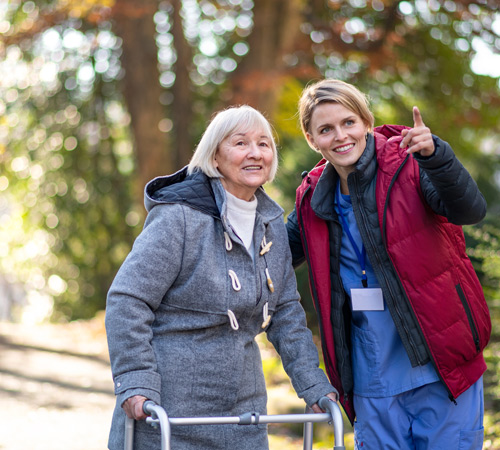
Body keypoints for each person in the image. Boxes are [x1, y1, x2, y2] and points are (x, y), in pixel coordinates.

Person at [105, 105, 337, 450]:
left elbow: (286, 314)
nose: (255, 153)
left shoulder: (271, 223)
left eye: (264, 143)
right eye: (240, 143)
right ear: (214, 158)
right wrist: (135, 380)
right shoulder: (179, 218)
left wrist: (314, 384)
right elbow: (128, 299)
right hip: (169, 413)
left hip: (242, 415)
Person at [286, 79, 491, 449]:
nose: (340, 136)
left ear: (366, 121)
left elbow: (469, 210)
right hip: (372, 382)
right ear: (311, 138)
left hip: (442, 372)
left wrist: (436, 157)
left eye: (349, 122)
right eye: (326, 129)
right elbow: (272, 257)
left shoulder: (410, 163)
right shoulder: (312, 198)